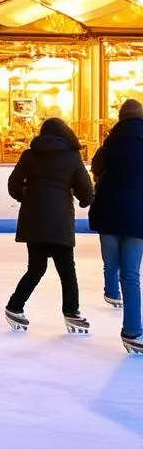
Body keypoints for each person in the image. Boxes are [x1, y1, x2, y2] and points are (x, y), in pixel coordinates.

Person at [3, 118, 93, 334]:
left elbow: (13, 185)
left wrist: (27, 197)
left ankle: (14, 306)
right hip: (59, 221)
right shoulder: (72, 156)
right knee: (66, 270)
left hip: (34, 220)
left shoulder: (29, 154)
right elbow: (86, 191)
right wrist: (83, 200)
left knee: (36, 268)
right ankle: (71, 312)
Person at [89, 98, 143, 354]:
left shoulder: (110, 143)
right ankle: (132, 331)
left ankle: (111, 291)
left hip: (109, 210)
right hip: (138, 215)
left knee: (111, 263)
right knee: (131, 274)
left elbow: (95, 168)